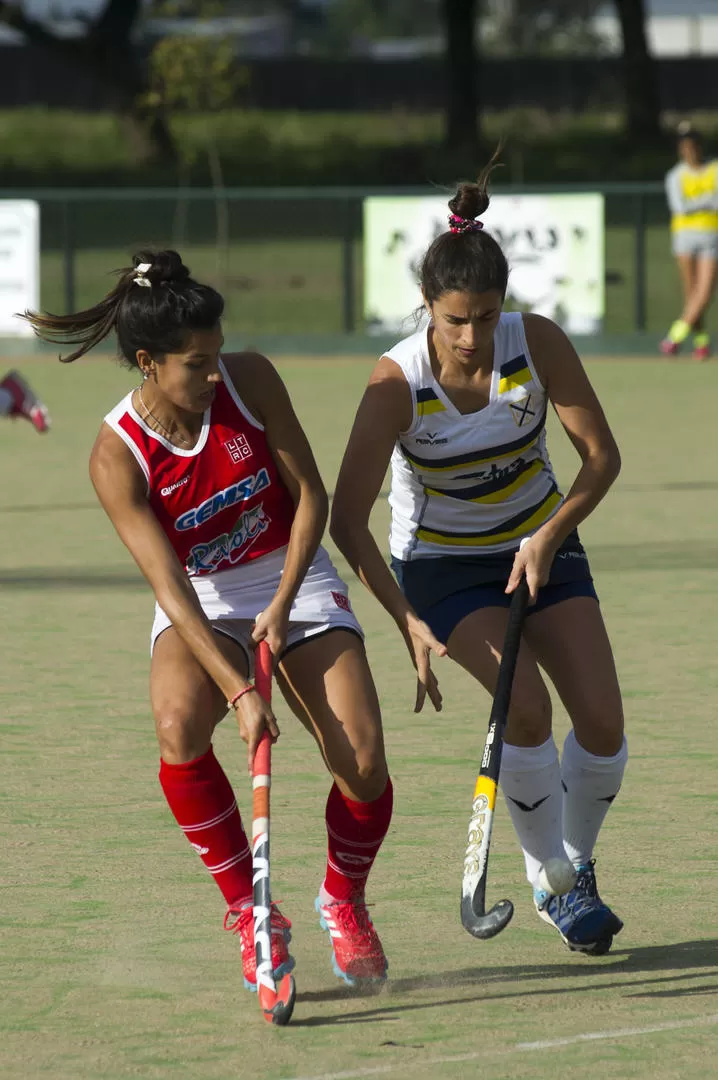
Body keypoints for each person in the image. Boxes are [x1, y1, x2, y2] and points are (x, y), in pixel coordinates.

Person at [21, 251, 393, 991]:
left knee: (362, 759)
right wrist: (238, 688)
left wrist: (286, 604)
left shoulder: (250, 380)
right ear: (148, 362)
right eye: (197, 364)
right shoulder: (115, 456)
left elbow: (310, 497)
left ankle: (343, 900)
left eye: (217, 354)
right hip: (206, 599)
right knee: (177, 725)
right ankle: (252, 917)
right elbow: (169, 585)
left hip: (291, 571)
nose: (215, 374)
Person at [330, 161, 627, 956]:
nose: (471, 337)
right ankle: (552, 885)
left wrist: (549, 533)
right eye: (455, 319)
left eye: (486, 316)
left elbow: (601, 458)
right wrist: (407, 622)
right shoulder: (398, 383)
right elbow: (344, 516)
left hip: (542, 538)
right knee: (526, 707)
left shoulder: (538, 344)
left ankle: (578, 863)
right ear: (429, 307)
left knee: (601, 724)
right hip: (442, 567)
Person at [661, 122, 718, 360]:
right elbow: (679, 207)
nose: (690, 151)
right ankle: (702, 343)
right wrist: (707, 200)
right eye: (685, 147)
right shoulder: (675, 175)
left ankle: (674, 336)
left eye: (693, 146)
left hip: (711, 236)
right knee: (691, 294)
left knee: (704, 293)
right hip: (684, 238)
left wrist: (697, 203)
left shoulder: (714, 169)